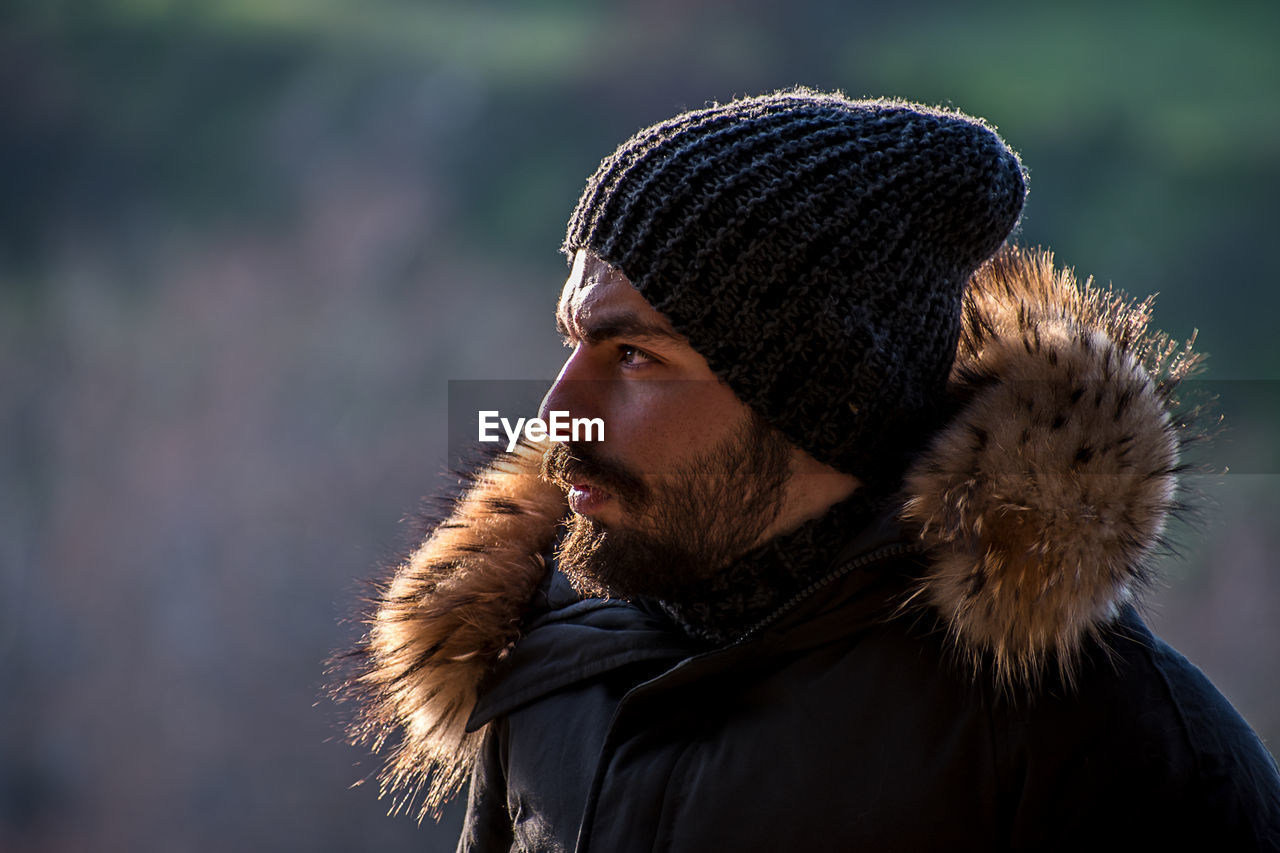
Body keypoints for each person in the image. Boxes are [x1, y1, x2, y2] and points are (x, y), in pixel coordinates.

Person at [339, 89, 1280, 851]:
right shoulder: (547, 659)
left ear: (818, 399)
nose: (554, 415)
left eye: (634, 356)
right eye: (574, 342)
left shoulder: (1104, 740)